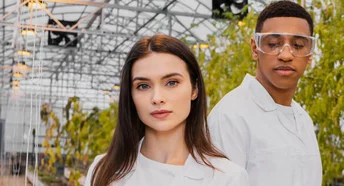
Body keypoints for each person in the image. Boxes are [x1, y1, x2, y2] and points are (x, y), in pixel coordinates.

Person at [85, 34, 248, 186]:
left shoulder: (228, 178)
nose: (157, 98)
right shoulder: (104, 171)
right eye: (143, 86)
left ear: (194, 89)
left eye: (171, 82)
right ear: (130, 95)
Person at [208, 1, 322, 186]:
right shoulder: (230, 117)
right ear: (255, 48)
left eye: (298, 45)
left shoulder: (303, 119)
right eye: (274, 44)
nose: (286, 55)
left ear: (309, 54)